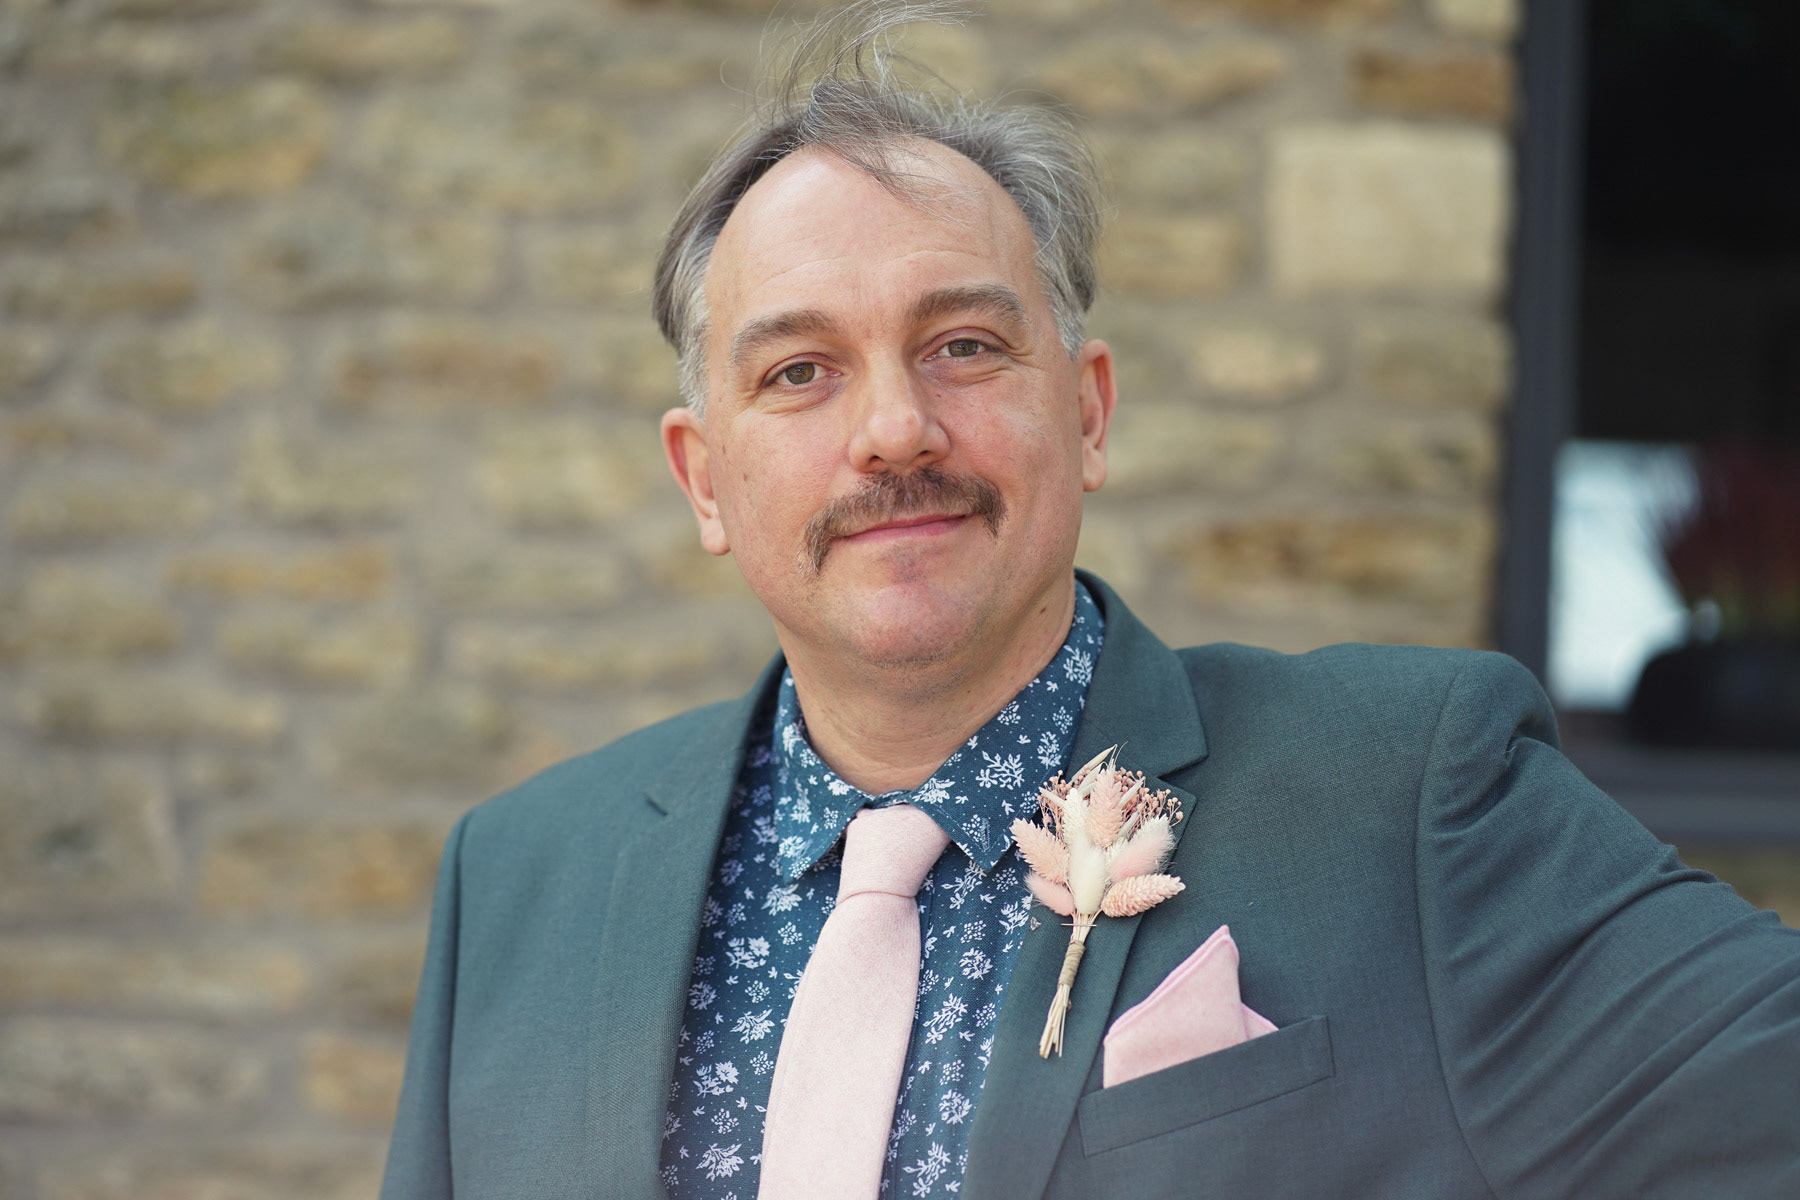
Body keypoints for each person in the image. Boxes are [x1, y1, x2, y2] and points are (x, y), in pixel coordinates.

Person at [378, 4, 1800, 1198]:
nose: (893, 428)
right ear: (703, 478)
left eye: (963, 344)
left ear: (1089, 411)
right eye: (800, 372)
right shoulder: (517, 881)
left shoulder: (1407, 799)